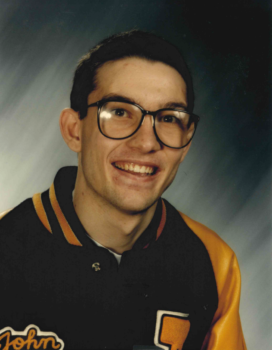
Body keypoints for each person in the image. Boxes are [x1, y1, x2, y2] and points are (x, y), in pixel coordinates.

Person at [0, 30, 246, 350]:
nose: (146, 142)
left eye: (168, 118)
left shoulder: (214, 263)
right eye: (119, 112)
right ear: (74, 130)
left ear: (186, 142)